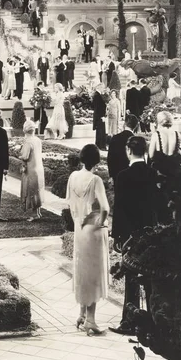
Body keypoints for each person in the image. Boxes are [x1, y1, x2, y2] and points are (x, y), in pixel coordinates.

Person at [109, 136, 158, 336]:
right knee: (151, 278)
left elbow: (119, 208)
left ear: (129, 151)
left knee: (131, 277)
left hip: (130, 234)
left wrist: (117, 235)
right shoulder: (153, 173)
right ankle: (154, 321)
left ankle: (130, 321)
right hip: (151, 233)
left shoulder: (123, 176)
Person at [66, 144, 110, 335]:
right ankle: (90, 320)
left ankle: (82, 314)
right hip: (92, 227)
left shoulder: (73, 177)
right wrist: (101, 222)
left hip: (78, 227)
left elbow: (68, 202)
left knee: (82, 269)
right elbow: (105, 208)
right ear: (97, 160)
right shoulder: (96, 180)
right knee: (93, 272)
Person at [20, 120, 45, 222]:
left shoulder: (28, 141)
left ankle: (34, 214)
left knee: (31, 190)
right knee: (38, 189)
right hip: (38, 167)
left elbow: (25, 156)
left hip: (31, 168)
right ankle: (38, 212)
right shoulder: (37, 140)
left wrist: (20, 155)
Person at [107, 114, 139, 188]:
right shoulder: (136, 140)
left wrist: (111, 175)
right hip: (132, 174)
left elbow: (110, 158)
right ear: (136, 126)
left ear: (124, 124)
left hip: (117, 173)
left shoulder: (115, 138)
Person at [92, 84, 107, 150]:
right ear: (99, 87)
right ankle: (101, 146)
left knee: (100, 131)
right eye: (102, 87)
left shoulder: (97, 95)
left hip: (98, 116)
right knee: (101, 131)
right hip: (99, 116)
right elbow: (98, 107)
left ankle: (99, 145)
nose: (103, 89)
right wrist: (102, 116)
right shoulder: (97, 95)